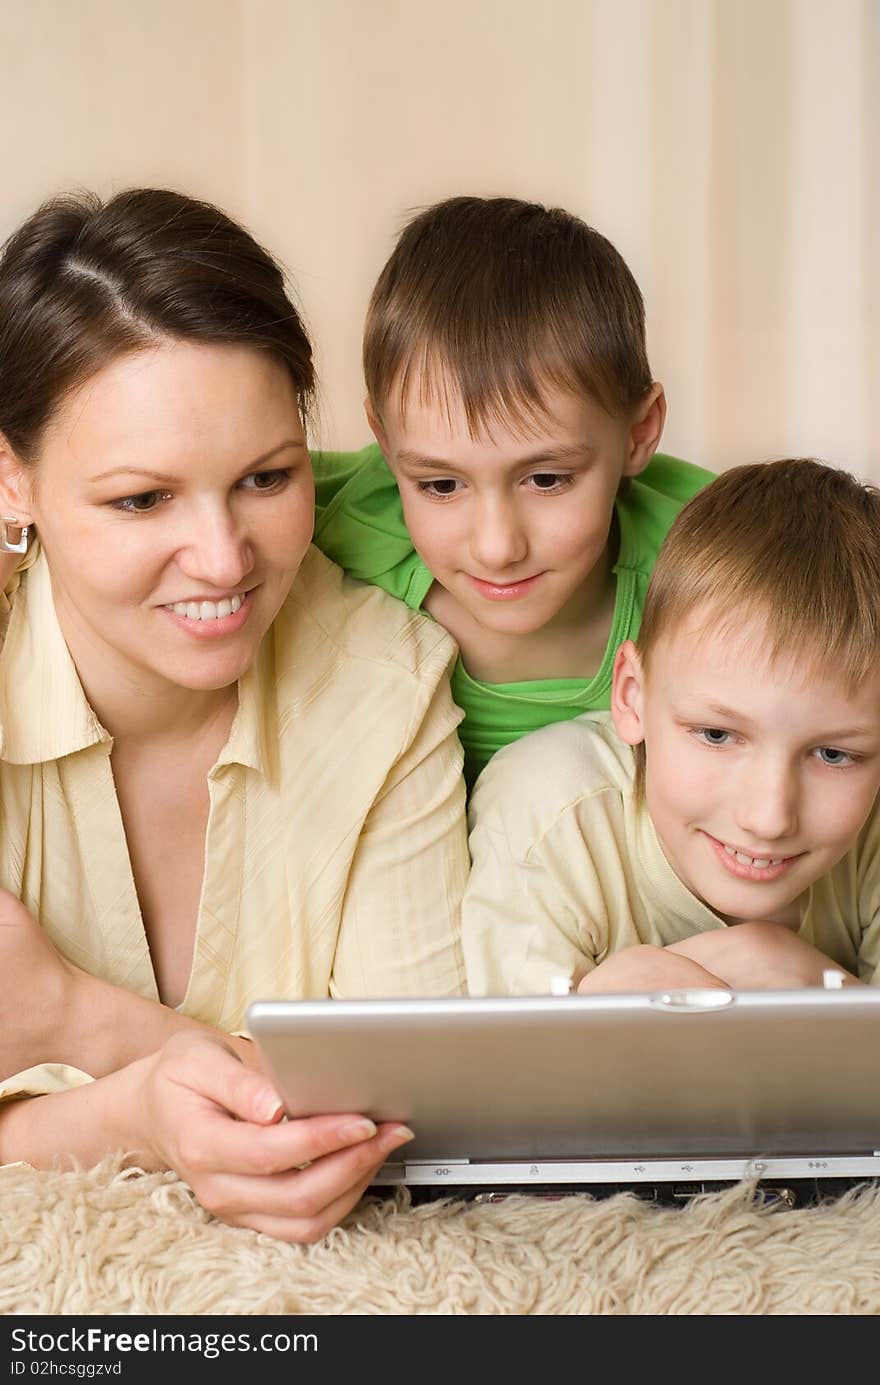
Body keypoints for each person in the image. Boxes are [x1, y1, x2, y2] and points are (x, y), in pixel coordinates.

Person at [0, 187, 469, 1243]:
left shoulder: (384, 688)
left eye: (265, 477)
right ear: (11, 481)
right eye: (141, 499)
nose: (223, 557)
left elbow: (408, 1112)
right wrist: (130, 1113)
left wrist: (83, 1023)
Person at [312, 196, 714, 788]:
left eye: (547, 479)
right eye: (441, 485)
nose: (498, 548)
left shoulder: (709, 559)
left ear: (638, 434)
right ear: (386, 444)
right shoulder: (323, 526)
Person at [462, 458, 880, 995]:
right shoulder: (550, 816)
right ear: (632, 696)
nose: (769, 818)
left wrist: (804, 977)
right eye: (716, 735)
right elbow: (505, 1071)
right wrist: (599, 1010)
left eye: (832, 755)